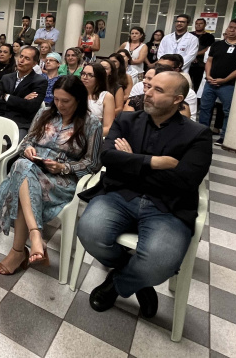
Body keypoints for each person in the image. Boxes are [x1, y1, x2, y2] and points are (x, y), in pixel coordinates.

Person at [77, 72, 212, 318]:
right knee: (89, 232)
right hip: (120, 196)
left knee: (159, 264)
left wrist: (130, 162)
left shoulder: (197, 134)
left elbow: (184, 181)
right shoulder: (126, 121)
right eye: (149, 87)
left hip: (168, 206)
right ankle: (139, 279)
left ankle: (119, 283)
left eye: (158, 90)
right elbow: (106, 158)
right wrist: (154, 162)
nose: (147, 92)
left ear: (177, 99)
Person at [0, 77, 102, 275]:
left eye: (66, 101)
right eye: (57, 100)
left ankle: (21, 249)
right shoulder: (45, 113)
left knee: (19, 176)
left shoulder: (91, 123)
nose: (59, 105)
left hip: (61, 180)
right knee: (23, 164)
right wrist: (28, 150)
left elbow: (93, 163)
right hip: (32, 167)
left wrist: (63, 167)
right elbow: (27, 141)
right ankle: (34, 236)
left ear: (78, 99)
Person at [199, 19, 236, 145]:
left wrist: (225, 79)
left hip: (228, 84)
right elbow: (209, 61)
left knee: (227, 111)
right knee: (204, 108)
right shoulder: (217, 44)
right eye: (230, 27)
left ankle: (224, 136)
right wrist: (208, 75)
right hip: (210, 82)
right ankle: (202, 133)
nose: (232, 30)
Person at [125, 64, 191, 118]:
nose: (144, 81)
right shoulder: (134, 101)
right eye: (145, 78)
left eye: (150, 78)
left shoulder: (181, 107)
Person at [81, 63, 115, 136]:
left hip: (93, 136)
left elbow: (108, 127)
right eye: (83, 73)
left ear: (99, 78)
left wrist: (88, 135)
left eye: (90, 75)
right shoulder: (75, 93)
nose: (84, 77)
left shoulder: (106, 96)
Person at [189, 17, 216, 92]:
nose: (198, 25)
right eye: (196, 24)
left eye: (200, 24)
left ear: (205, 25)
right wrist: (191, 56)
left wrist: (195, 55)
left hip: (201, 63)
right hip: (188, 61)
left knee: (198, 83)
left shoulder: (209, 36)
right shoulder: (189, 35)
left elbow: (208, 48)